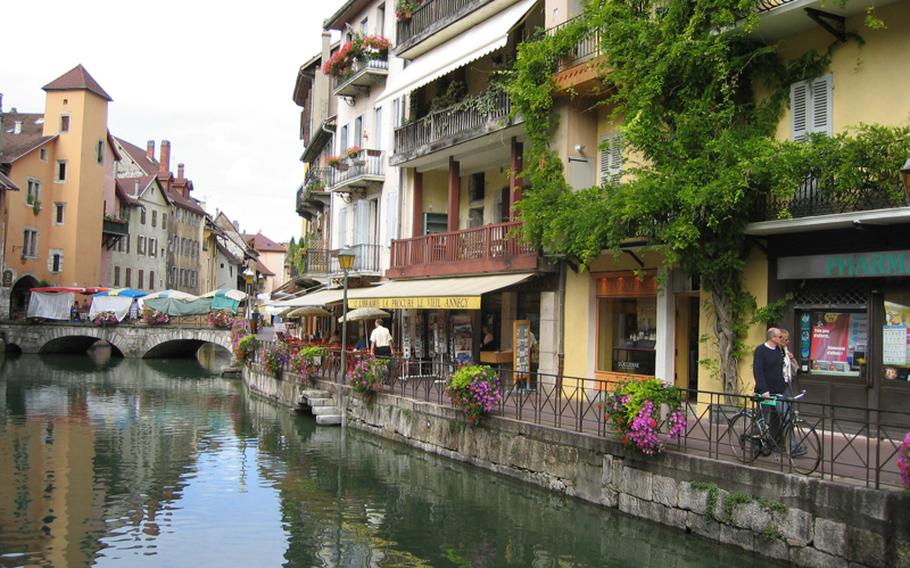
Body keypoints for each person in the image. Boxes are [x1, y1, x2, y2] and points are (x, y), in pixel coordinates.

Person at [753, 328, 804, 456]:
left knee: (786, 417)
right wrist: (764, 390)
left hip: (779, 391)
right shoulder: (761, 350)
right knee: (762, 419)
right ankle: (756, 445)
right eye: (779, 336)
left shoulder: (779, 351)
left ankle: (791, 447)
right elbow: (758, 371)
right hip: (765, 391)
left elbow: (781, 371)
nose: (782, 339)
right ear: (773, 338)